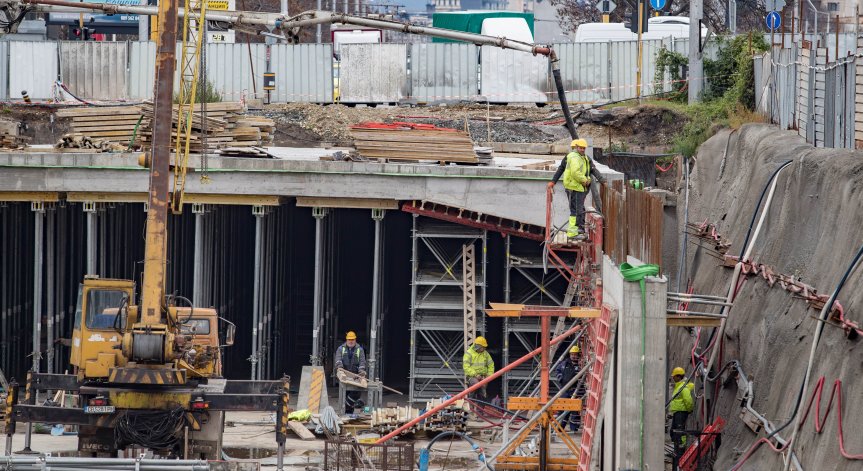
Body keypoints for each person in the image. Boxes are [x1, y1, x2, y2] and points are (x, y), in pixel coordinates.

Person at [548, 138, 605, 241]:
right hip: (574, 188)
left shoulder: (585, 158)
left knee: (578, 209)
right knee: (576, 210)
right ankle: (575, 232)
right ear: (576, 147)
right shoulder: (573, 157)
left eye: (584, 148)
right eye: (580, 148)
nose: (582, 150)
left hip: (579, 188)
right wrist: (585, 181)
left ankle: (578, 230)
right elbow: (571, 172)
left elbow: (592, 169)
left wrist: (602, 180)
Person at [555, 345, 586, 432]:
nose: (574, 356)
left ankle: (574, 429)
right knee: (562, 409)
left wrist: (582, 391)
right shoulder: (565, 363)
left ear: (578, 355)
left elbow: (583, 379)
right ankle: (559, 428)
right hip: (565, 390)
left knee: (575, 411)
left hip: (576, 391)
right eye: (572, 354)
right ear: (570, 354)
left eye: (575, 354)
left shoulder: (581, 365)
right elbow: (557, 370)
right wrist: (561, 379)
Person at [668, 366, 694, 470]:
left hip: (681, 412)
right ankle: (677, 445)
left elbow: (688, 400)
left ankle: (680, 446)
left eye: (674, 376)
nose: (673, 378)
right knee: (673, 432)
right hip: (677, 412)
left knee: (679, 431)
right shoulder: (678, 386)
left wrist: (689, 409)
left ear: (679, 376)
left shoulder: (683, 387)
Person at [335, 331, 367, 413]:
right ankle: (347, 412)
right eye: (349, 339)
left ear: (355, 340)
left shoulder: (360, 349)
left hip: (355, 376)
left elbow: (362, 362)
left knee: (355, 393)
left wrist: (361, 372)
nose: (351, 341)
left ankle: (348, 407)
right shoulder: (340, 349)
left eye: (352, 339)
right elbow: (338, 360)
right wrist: (340, 368)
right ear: (346, 340)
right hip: (344, 375)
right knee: (345, 394)